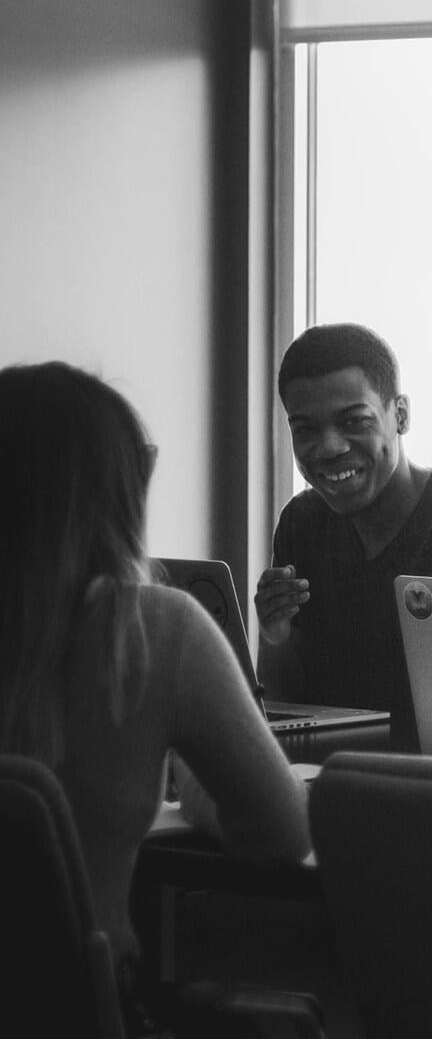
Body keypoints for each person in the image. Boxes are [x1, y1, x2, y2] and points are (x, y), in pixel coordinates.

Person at [0, 361, 311, 1034]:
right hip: (80, 1014)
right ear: (116, 491)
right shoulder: (156, 628)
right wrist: (198, 793)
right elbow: (282, 835)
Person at [255, 323, 432, 712]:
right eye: (305, 429)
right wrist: (274, 635)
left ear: (401, 415)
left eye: (354, 422)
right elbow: (284, 708)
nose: (328, 447)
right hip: (329, 772)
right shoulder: (301, 524)